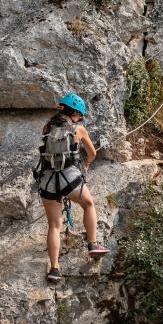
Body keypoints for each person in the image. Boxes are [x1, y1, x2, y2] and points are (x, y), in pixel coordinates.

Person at [36, 92, 109, 283]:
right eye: (79, 115)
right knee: (88, 204)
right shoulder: (79, 129)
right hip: (70, 178)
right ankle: (93, 244)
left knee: (54, 225)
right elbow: (92, 154)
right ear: (74, 113)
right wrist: (84, 164)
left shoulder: (46, 127)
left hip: (48, 180)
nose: (80, 118)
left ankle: (54, 269)